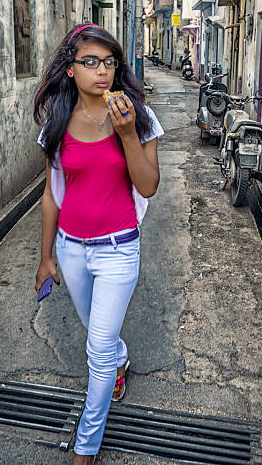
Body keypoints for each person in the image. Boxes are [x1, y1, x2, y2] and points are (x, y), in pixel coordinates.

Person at [33, 23, 164, 464]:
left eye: (109, 62)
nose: (102, 71)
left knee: (96, 351)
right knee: (99, 336)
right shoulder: (58, 121)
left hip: (118, 249)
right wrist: (46, 256)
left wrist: (127, 135)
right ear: (71, 69)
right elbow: (52, 195)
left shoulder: (138, 117)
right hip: (71, 250)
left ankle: (86, 448)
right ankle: (120, 360)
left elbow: (147, 187)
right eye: (90, 62)